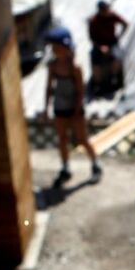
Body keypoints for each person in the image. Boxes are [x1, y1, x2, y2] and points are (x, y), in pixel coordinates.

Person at [43, 27, 101, 187]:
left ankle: (96, 164)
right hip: (60, 106)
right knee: (62, 139)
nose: (55, 51)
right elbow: (49, 87)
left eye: (57, 47)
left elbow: (81, 91)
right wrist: (46, 108)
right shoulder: (53, 66)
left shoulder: (75, 67)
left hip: (74, 108)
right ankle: (65, 168)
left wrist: (77, 110)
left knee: (82, 138)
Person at [87, 0, 129, 97]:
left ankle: (115, 78)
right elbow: (92, 38)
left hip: (112, 42)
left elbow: (125, 24)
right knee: (95, 62)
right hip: (99, 44)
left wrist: (118, 37)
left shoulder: (112, 16)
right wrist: (100, 47)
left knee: (117, 57)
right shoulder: (94, 21)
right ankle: (98, 84)